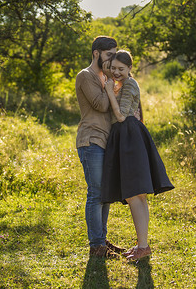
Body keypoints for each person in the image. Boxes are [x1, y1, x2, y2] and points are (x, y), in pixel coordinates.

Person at [101, 50, 175, 260]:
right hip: (125, 136)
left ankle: (143, 247)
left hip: (128, 136)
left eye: (121, 69)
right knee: (136, 195)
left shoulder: (130, 84)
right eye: (113, 68)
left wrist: (109, 91)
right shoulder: (121, 84)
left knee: (134, 194)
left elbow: (122, 116)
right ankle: (142, 245)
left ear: (130, 68)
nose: (116, 72)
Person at [75, 36, 125, 258]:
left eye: (115, 54)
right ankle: (96, 246)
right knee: (96, 193)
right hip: (90, 140)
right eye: (109, 55)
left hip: (106, 141)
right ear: (96, 53)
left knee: (105, 194)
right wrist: (109, 86)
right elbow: (102, 104)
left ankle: (101, 240)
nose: (112, 59)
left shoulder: (105, 77)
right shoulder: (85, 76)